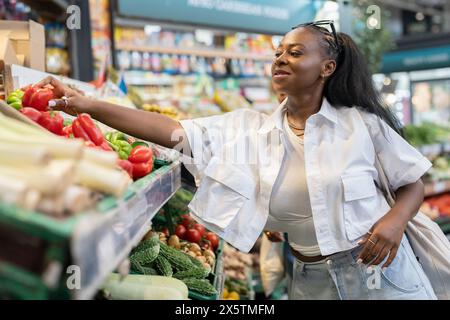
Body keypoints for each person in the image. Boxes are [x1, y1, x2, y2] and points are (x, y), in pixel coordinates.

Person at [40, 20, 436, 300]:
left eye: (295, 53)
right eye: (278, 52)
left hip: (378, 276)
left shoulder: (361, 125)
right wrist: (82, 104)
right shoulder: (250, 130)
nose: (280, 58)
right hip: (309, 280)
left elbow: (411, 182)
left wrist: (393, 223)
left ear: (327, 68)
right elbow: (169, 128)